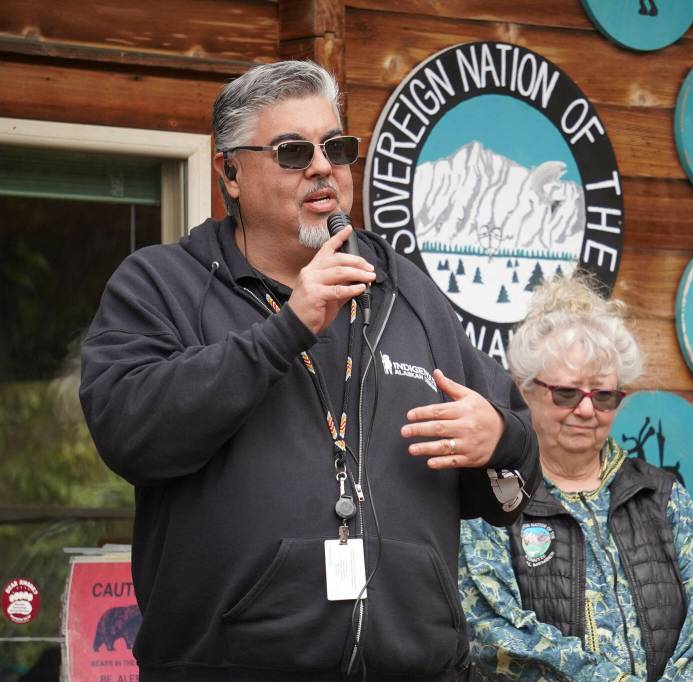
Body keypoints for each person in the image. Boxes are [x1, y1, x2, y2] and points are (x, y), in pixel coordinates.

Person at [79, 60, 539, 681]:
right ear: (230, 172)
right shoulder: (162, 284)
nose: (322, 166)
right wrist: (287, 329)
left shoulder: (410, 293)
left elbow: (516, 449)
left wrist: (499, 441)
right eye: (293, 151)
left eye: (336, 147)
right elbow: (130, 431)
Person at [459, 275, 693, 681]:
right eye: (567, 393)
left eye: (603, 395)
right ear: (526, 389)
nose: (587, 410)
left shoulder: (661, 496)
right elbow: (490, 631)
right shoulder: (493, 500)